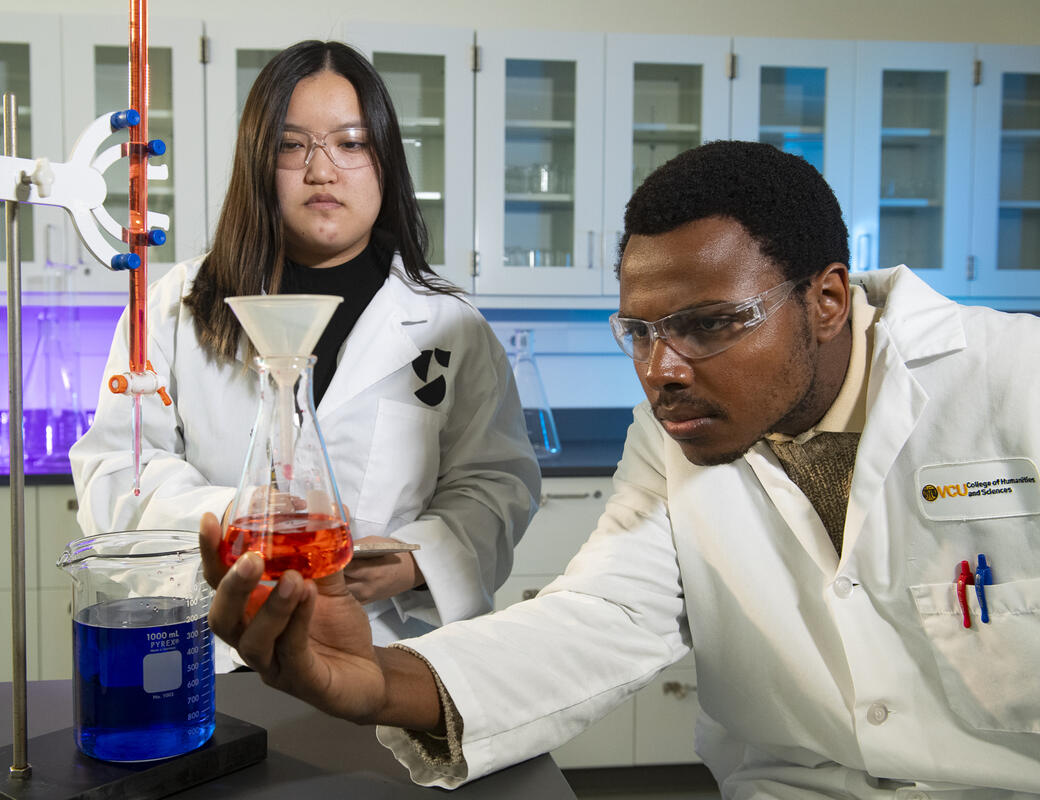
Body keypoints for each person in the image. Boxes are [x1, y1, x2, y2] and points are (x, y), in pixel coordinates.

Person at [199, 140, 1040, 797]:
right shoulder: (674, 438)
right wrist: (377, 681)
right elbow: (597, 617)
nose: (661, 369)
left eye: (709, 323)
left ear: (825, 301)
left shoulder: (1012, 380)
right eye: (639, 331)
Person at [70, 40, 541, 666]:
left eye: (350, 143)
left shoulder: (451, 325)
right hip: (218, 655)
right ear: (258, 161)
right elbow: (116, 472)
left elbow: (496, 481)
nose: (322, 170)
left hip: (388, 654)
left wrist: (416, 558)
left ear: (386, 162)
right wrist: (239, 522)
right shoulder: (175, 305)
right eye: (292, 145)